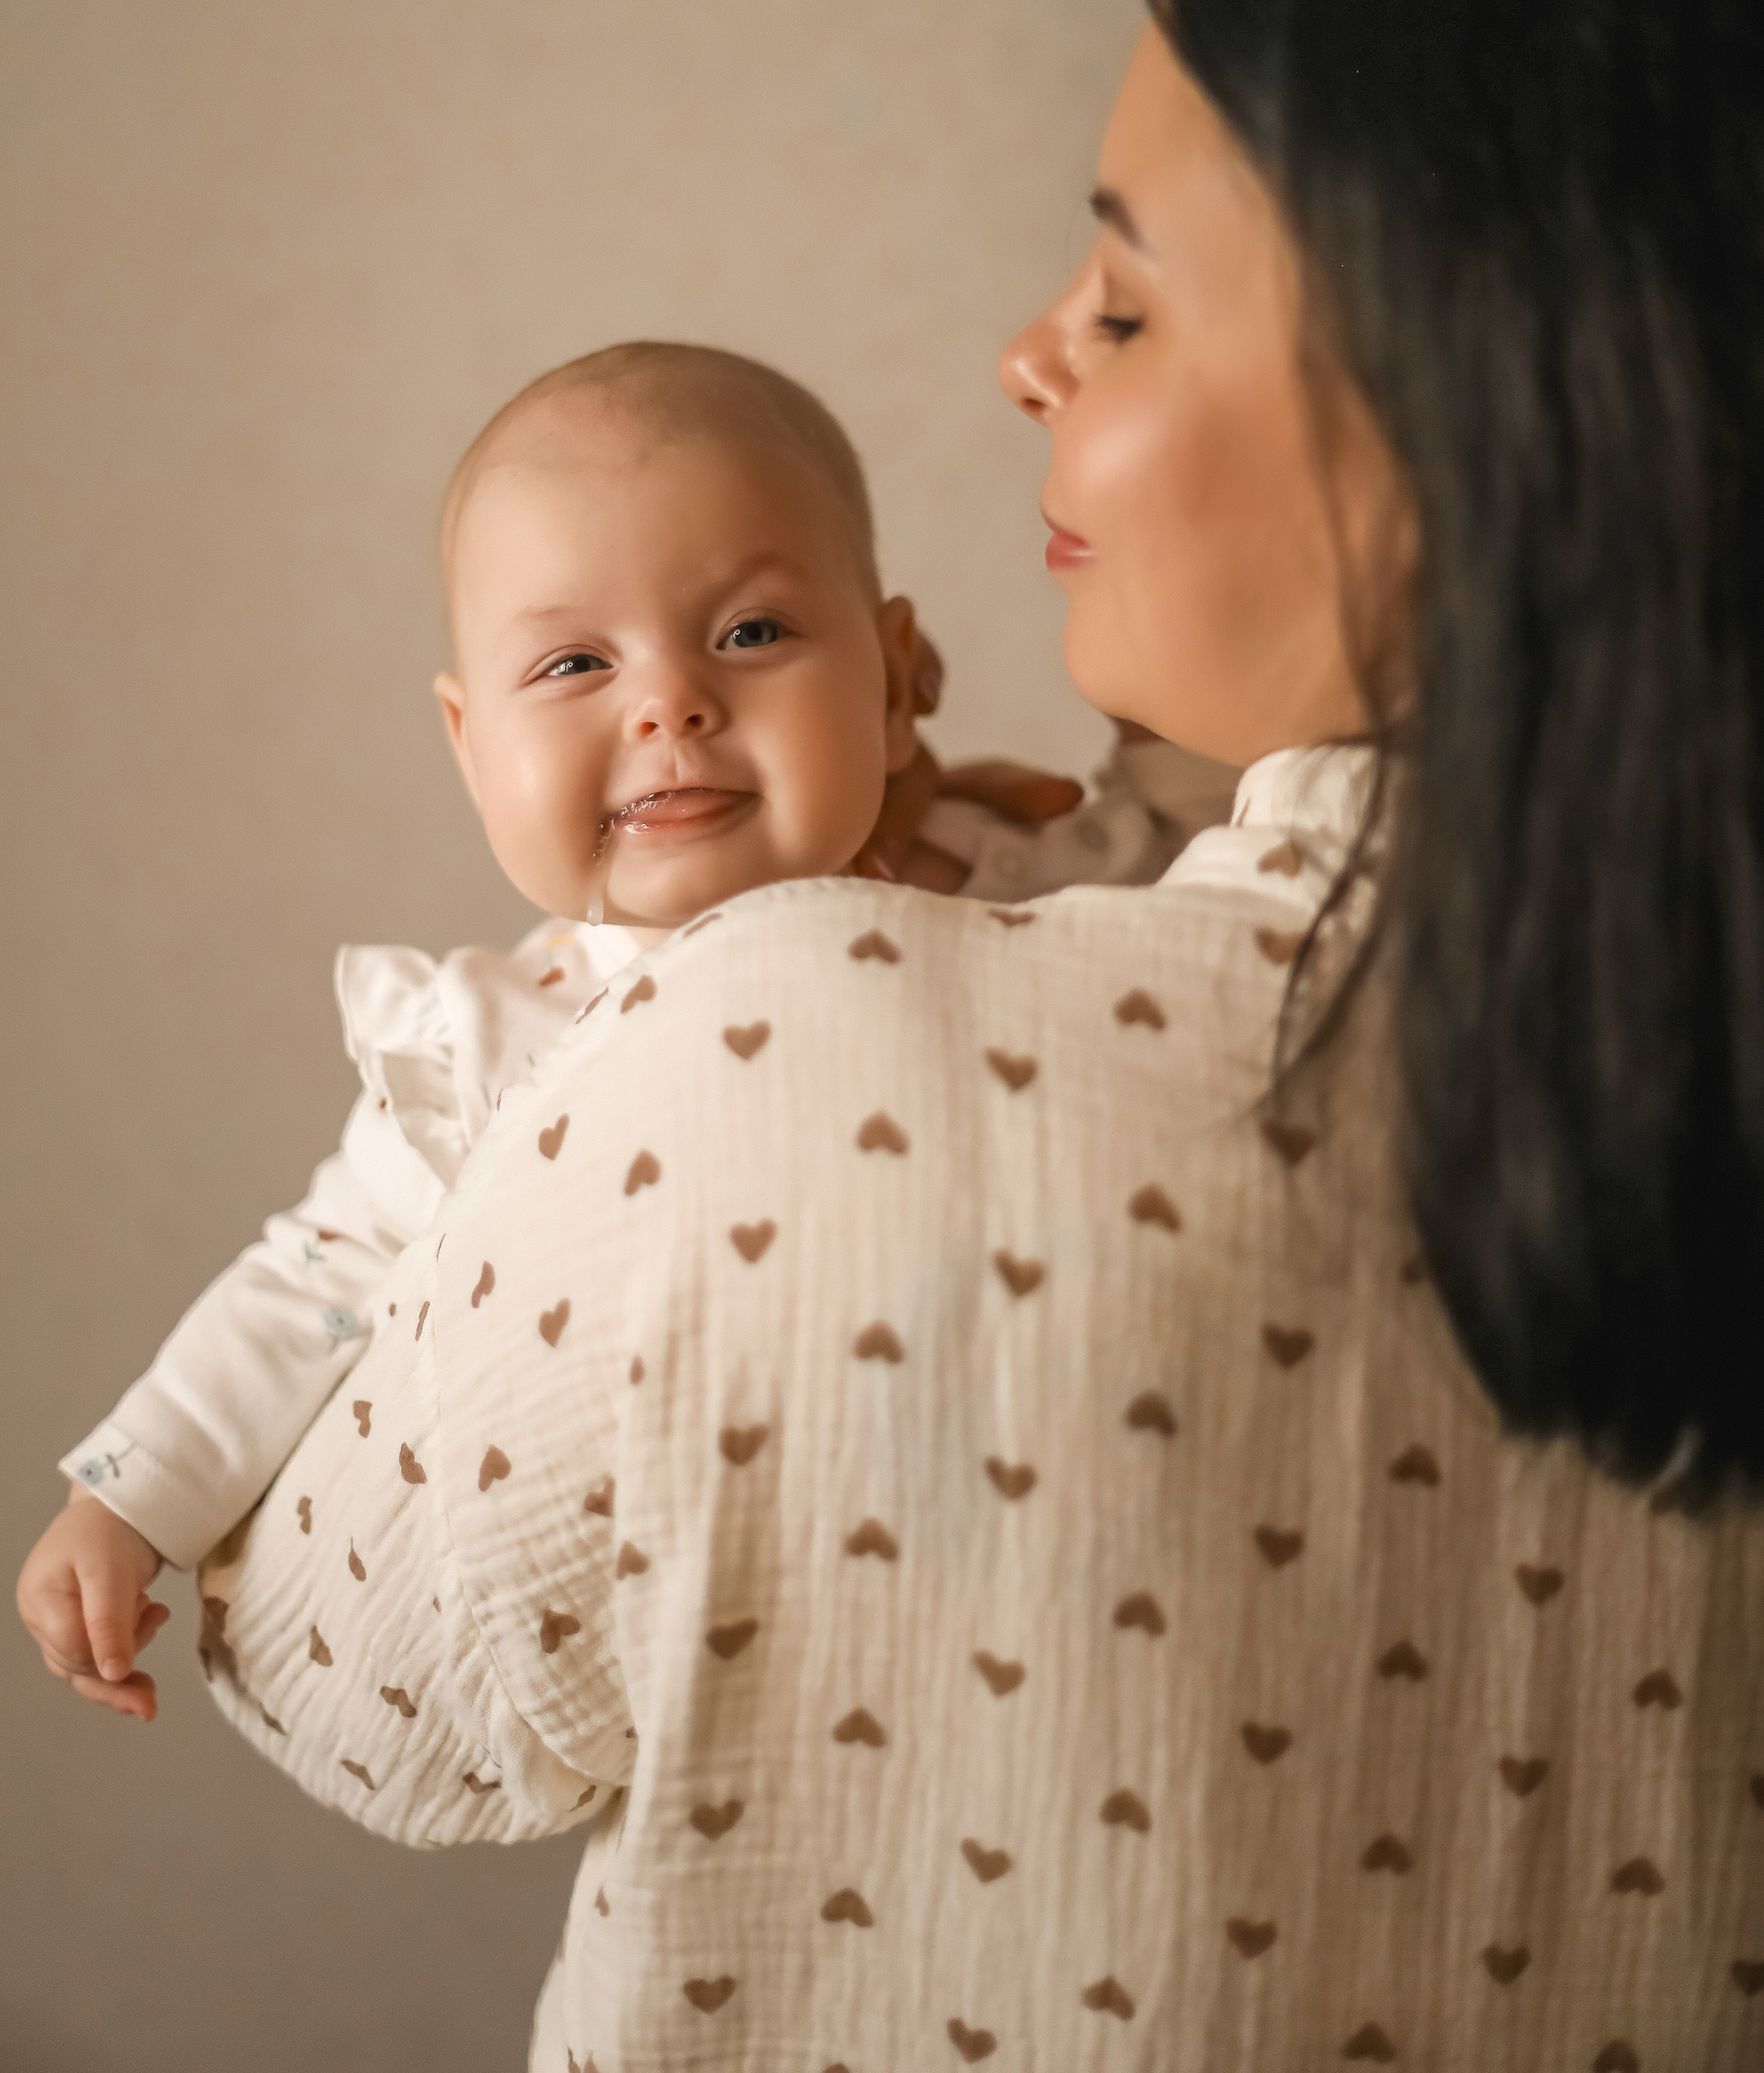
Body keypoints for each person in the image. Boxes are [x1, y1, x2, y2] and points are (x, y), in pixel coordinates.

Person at [111, 0, 1764, 2065]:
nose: (1024, 357)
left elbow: (359, 1684)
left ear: (1470, 406)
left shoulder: (777, 1059)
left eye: (1121, 297)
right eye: (569, 667)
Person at [15, 341, 1229, 1718]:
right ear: (471, 747)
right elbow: (317, 1277)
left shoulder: (1012, 867)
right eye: (575, 661)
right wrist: (133, 1497)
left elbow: (1234, 889)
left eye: (749, 634)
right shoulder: (500, 1041)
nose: (668, 703)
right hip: (772, 1649)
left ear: (895, 686)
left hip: (1089, 1536)